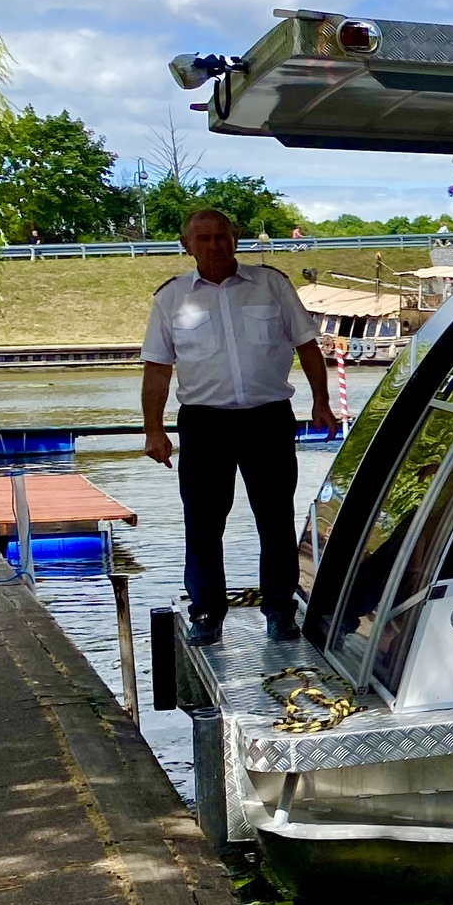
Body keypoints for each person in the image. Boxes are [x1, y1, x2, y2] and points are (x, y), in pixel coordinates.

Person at [142, 208, 335, 646]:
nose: (214, 245)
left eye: (221, 237)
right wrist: (154, 429)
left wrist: (321, 402)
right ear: (186, 245)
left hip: (267, 419)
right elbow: (157, 368)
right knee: (204, 523)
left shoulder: (271, 285)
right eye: (203, 238)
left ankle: (280, 612)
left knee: (276, 519)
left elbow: (307, 345)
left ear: (236, 239)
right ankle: (207, 613)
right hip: (204, 424)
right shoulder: (171, 298)